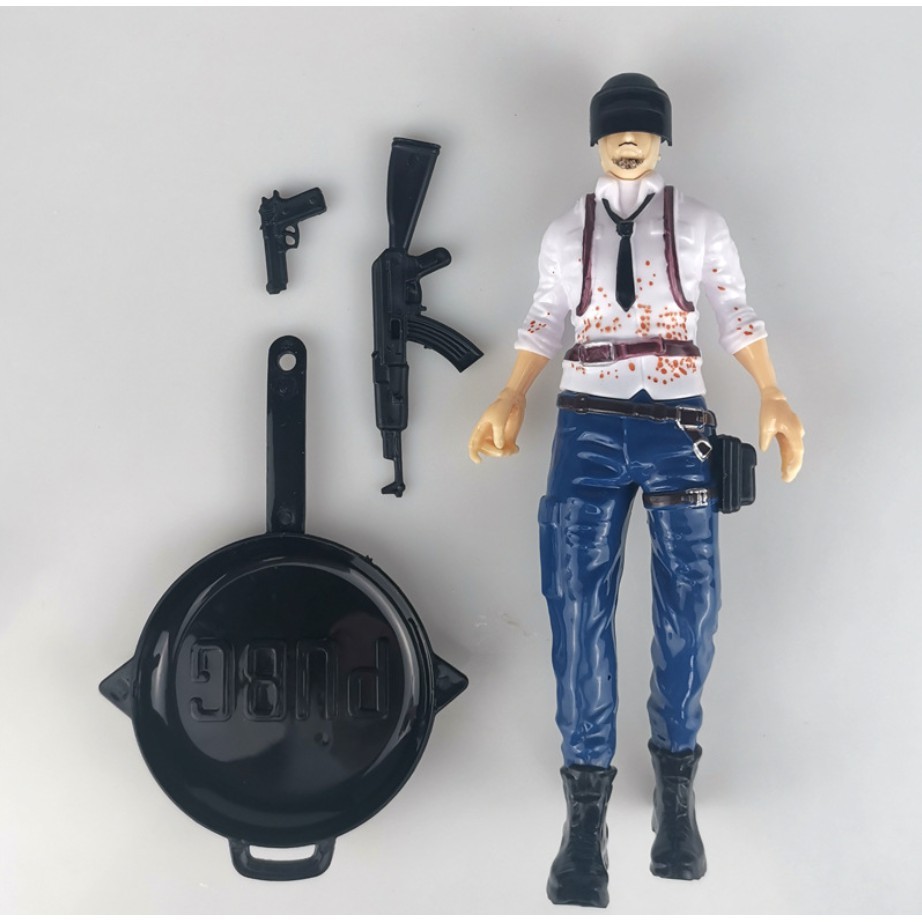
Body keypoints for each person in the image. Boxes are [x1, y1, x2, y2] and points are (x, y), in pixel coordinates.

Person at [468, 73, 804, 908]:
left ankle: (675, 788)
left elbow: (734, 310)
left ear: (662, 139)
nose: (628, 141)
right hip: (585, 423)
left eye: (643, 129)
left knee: (693, 600)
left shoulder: (699, 224)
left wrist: (771, 390)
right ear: (596, 139)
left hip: (677, 426)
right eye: (615, 129)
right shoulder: (564, 232)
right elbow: (546, 316)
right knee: (575, 603)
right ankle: (585, 813)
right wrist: (511, 393)